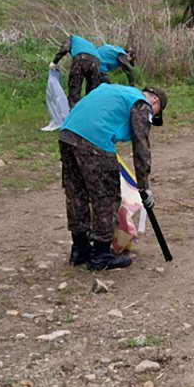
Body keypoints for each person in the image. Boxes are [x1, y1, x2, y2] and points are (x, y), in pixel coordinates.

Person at [58, 82, 166, 271]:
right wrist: (144, 186)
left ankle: (80, 249)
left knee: (76, 194)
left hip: (67, 134)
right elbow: (141, 145)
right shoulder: (142, 104)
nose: (152, 118)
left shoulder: (114, 90)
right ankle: (101, 254)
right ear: (155, 101)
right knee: (106, 197)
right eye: (156, 114)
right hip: (95, 139)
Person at [52, 36, 136, 106]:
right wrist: (132, 87)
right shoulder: (121, 53)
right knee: (99, 91)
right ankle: (99, 108)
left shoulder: (114, 49)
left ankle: (76, 109)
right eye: (130, 60)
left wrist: (54, 63)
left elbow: (64, 49)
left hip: (88, 60)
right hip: (96, 64)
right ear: (128, 55)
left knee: (77, 89)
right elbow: (129, 70)